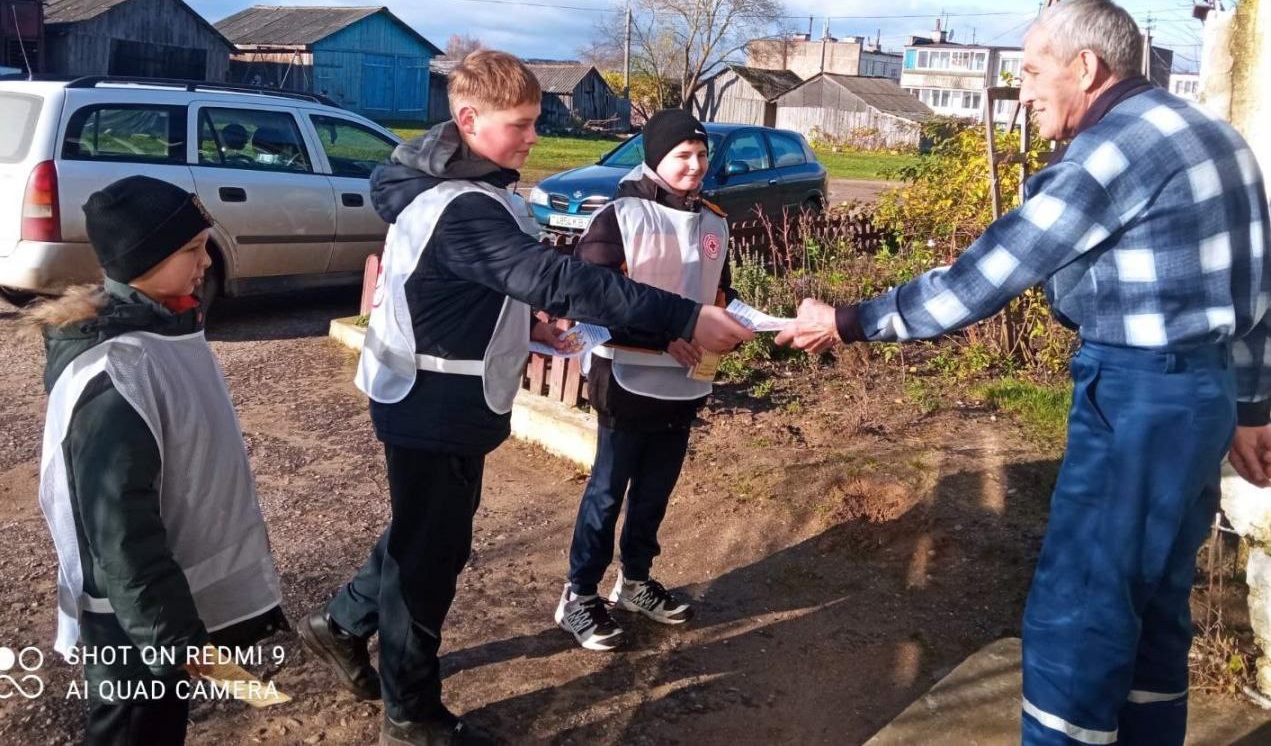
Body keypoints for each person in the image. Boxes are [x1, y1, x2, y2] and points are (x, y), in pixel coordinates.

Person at [776, 0, 1271, 746]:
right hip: (1199, 395)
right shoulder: (1214, 135)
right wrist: (1249, 402)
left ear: (1085, 67)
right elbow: (1255, 286)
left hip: (1135, 397)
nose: (1025, 87)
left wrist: (847, 321)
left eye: (1034, 69)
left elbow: (984, 278)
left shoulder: (1109, 153)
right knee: (1156, 604)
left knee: (1082, 605)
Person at [297, 51, 752, 746]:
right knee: (431, 557)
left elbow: (466, 292)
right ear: (468, 119)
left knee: (421, 531)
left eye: (536, 122)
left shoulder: (461, 190)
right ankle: (411, 714)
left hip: (437, 397)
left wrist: (525, 325)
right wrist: (684, 316)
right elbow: (551, 277)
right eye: (523, 124)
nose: (534, 137)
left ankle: (340, 623)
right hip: (433, 404)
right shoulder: (462, 208)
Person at [31, 176, 286, 746]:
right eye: (191, 250)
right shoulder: (116, 372)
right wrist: (176, 642)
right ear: (142, 259)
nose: (205, 261)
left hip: (160, 622)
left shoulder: (168, 329)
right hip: (133, 631)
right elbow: (119, 528)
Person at [555, 109, 736, 651]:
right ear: (655, 157)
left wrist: (736, 325)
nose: (695, 166)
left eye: (702, 156)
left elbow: (718, 292)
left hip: (687, 376)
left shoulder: (714, 221)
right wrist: (662, 336)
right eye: (683, 155)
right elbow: (591, 293)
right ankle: (579, 594)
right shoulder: (619, 215)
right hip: (627, 374)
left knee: (656, 491)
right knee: (608, 492)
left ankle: (634, 582)